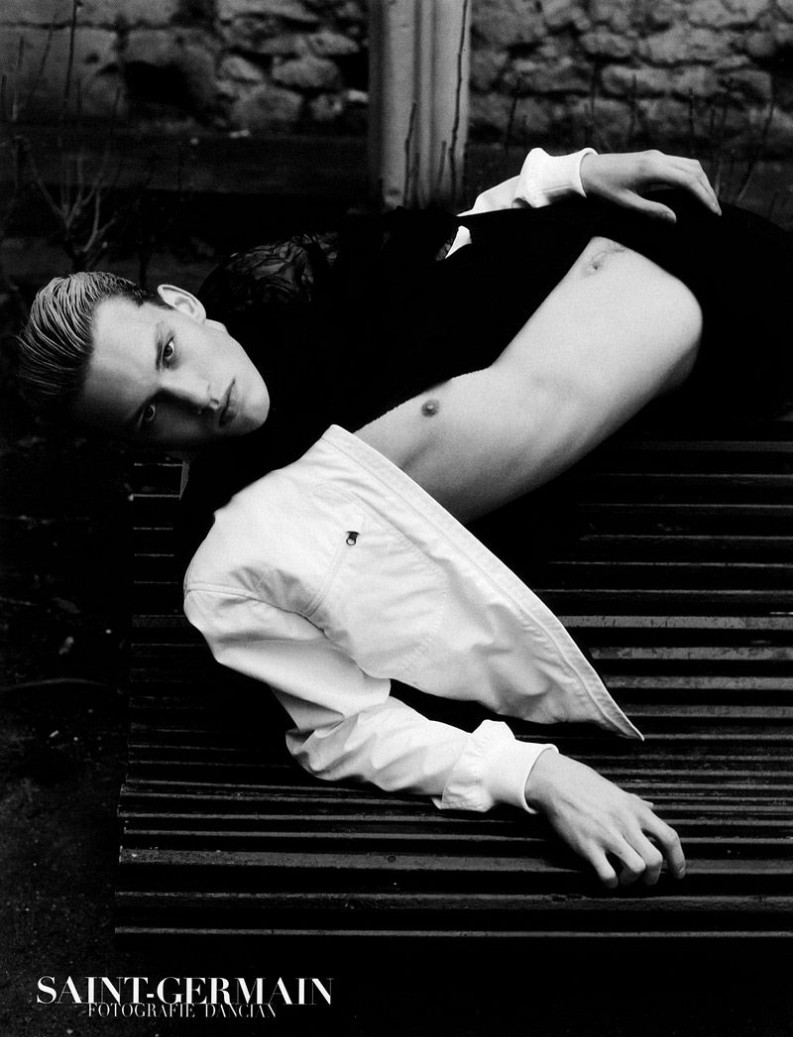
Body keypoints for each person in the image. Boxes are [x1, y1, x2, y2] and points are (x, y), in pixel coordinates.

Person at [13, 147, 793, 890]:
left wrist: (571, 174)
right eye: (151, 414)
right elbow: (336, 729)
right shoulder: (237, 548)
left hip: (680, 240)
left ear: (184, 307)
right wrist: (533, 774)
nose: (197, 396)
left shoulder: (268, 288)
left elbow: (449, 240)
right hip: (714, 322)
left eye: (168, 352)